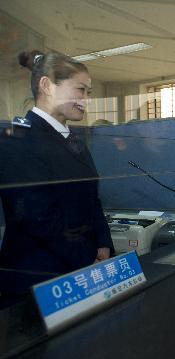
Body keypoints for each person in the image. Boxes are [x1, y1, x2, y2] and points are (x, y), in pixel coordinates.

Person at [0, 50, 114, 306]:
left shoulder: (75, 142)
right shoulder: (16, 139)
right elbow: (37, 217)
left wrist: (103, 243)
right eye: (80, 90)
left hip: (81, 269)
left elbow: (91, 199)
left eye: (89, 92)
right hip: (37, 277)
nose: (86, 100)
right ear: (47, 86)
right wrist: (87, 259)